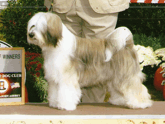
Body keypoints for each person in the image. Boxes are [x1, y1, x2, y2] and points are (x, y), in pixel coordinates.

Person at [44, 0, 130, 103]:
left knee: (95, 64)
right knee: (62, 64)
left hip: (102, 5)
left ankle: (90, 114)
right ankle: (65, 113)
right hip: (64, 4)